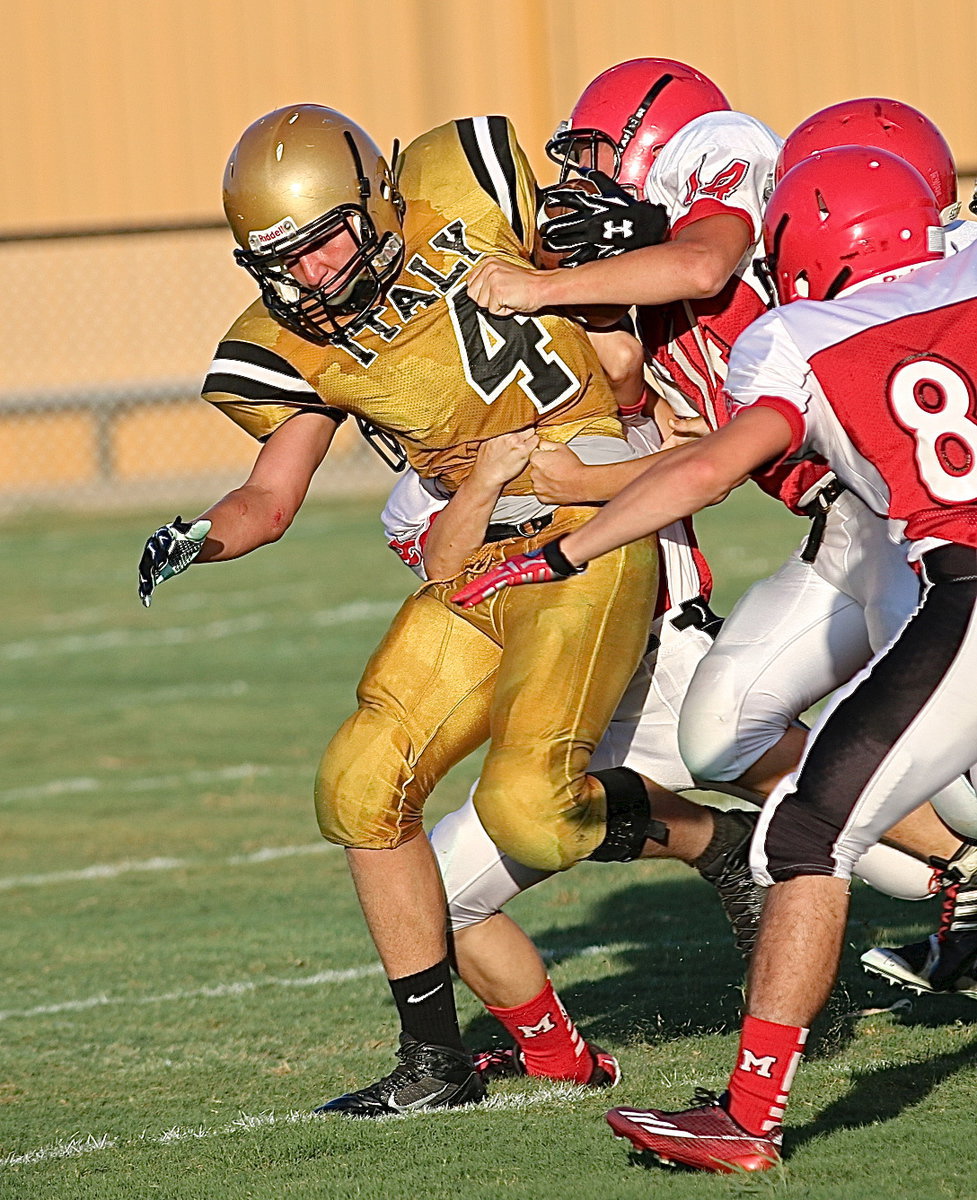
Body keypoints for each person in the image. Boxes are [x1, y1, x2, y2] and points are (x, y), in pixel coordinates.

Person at [137, 104, 672, 1116]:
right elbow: (271, 496)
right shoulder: (291, 340)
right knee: (357, 783)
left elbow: (619, 287)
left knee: (534, 812)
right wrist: (199, 535)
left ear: (378, 199)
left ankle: (712, 846)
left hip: (587, 527)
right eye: (283, 261)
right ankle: (433, 1062)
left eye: (326, 241)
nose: (314, 275)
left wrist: (601, 337)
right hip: (468, 556)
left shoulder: (465, 184)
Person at [453, 144, 977, 1172]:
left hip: (956, 585)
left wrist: (559, 548)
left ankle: (747, 1118)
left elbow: (703, 467)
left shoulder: (800, 333)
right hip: (899, 566)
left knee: (808, 835)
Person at [474, 65, 971, 891]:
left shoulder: (721, 152)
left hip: (912, 514)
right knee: (718, 737)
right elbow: (701, 456)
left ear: (652, 137)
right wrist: (569, 485)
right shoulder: (653, 305)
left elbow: (703, 265)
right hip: (841, 526)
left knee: (959, 775)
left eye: (593, 155)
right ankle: (953, 884)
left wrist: (539, 290)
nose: (576, 183)